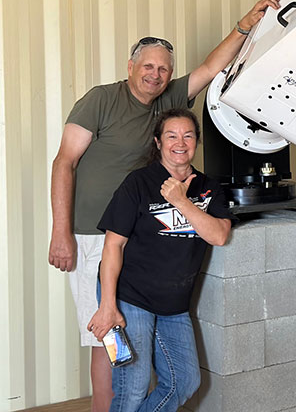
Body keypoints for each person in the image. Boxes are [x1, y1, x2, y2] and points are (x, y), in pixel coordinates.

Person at [48, 0, 279, 412]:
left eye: (164, 69)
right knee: (109, 339)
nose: (155, 75)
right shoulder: (101, 100)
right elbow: (64, 163)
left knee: (144, 352)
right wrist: (60, 232)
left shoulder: (171, 102)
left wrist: (246, 24)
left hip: (146, 234)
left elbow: (212, 67)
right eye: (148, 66)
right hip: (95, 234)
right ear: (131, 66)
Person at [88, 108, 233, 412]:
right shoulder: (138, 183)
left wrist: (181, 200)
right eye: (171, 136)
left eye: (188, 135)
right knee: (133, 387)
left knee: (185, 382)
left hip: (173, 304)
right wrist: (107, 305)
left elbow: (218, 235)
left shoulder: (209, 188)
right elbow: (113, 245)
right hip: (130, 296)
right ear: (158, 142)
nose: (180, 143)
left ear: (196, 142)